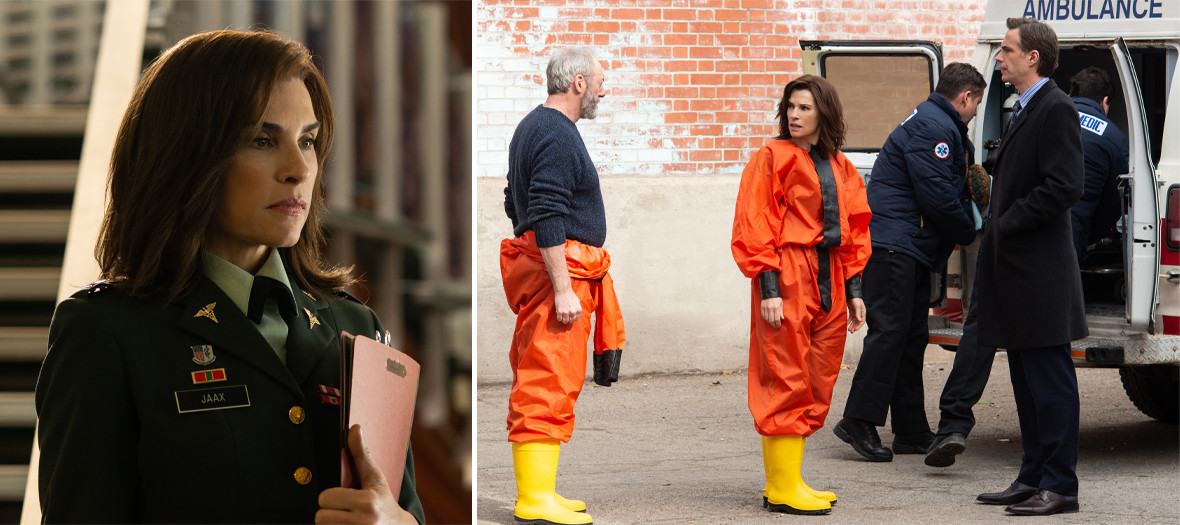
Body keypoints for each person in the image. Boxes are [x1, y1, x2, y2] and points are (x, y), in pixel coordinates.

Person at [33, 30, 423, 524]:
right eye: (262, 140)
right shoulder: (106, 333)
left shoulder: (357, 326)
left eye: (308, 140)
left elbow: (405, 508)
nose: (299, 168)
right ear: (187, 155)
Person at [731, 75, 872, 515]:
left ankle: (790, 479)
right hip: (789, 272)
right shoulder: (771, 157)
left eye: (805, 108)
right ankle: (782, 487)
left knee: (818, 375)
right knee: (785, 373)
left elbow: (853, 230)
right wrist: (768, 287)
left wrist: (855, 290)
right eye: (790, 106)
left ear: (823, 113)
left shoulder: (839, 164)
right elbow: (756, 221)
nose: (794, 114)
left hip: (830, 273)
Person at [834, 63, 984, 463]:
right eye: (975, 104)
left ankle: (911, 429)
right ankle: (858, 420)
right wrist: (972, 232)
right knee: (889, 333)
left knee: (910, 336)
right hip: (893, 247)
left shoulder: (936, 121)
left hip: (908, 246)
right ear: (965, 96)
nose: (974, 113)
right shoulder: (934, 127)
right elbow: (937, 196)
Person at [500, 46, 623, 525]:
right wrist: (564, 286)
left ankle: (541, 491)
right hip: (561, 274)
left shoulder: (533, 126)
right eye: (599, 82)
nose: (603, 90)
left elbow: (515, 198)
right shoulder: (556, 132)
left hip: (551, 267)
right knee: (547, 380)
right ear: (577, 84)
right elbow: (546, 209)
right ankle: (534, 500)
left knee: (550, 378)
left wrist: (529, 239)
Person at [973, 17, 1086, 516]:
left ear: (1032, 57)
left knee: (1050, 383)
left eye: (1006, 50)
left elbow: (1066, 185)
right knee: (1025, 381)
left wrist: (1008, 222)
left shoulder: (1056, 107)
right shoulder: (1026, 105)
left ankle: (1060, 485)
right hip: (1018, 273)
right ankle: (1033, 475)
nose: (999, 58)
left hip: (1040, 273)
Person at [1068, 66, 1129, 263]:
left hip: (1023, 229)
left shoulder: (1043, 116)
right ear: (1104, 102)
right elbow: (1114, 202)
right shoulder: (1114, 138)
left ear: (1071, 93)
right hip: (1071, 233)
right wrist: (1090, 237)